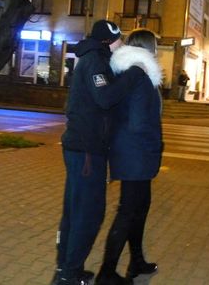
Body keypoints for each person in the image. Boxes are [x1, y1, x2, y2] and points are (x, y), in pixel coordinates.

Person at [53, 20, 145, 285]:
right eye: (119, 40)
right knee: (88, 213)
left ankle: (66, 269)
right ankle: (70, 274)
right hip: (87, 150)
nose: (122, 44)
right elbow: (104, 97)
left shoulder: (95, 58)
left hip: (83, 148)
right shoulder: (95, 60)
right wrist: (134, 73)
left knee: (75, 211)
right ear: (108, 41)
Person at [96, 29, 163, 285]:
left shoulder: (132, 72)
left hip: (134, 153)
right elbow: (138, 123)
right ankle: (106, 273)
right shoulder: (138, 75)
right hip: (136, 153)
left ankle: (136, 261)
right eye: (155, 45)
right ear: (148, 47)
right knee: (127, 212)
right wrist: (153, 145)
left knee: (139, 208)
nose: (157, 50)